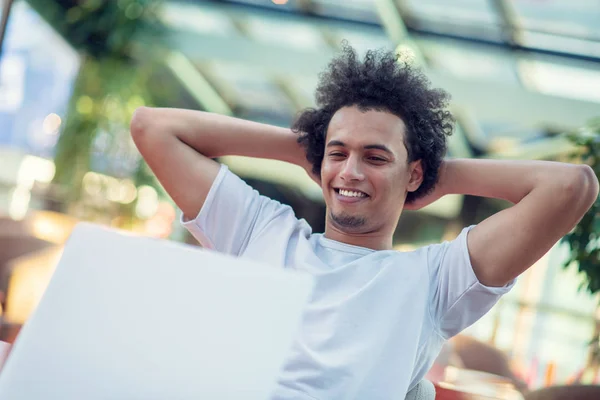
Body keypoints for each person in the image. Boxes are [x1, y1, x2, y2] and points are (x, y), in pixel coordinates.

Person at [130, 44, 599, 400]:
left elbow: (572, 186)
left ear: (412, 171)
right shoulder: (260, 230)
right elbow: (152, 127)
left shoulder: (435, 280)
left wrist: (432, 175)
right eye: (339, 154)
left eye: (376, 157)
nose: (350, 172)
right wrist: (309, 147)